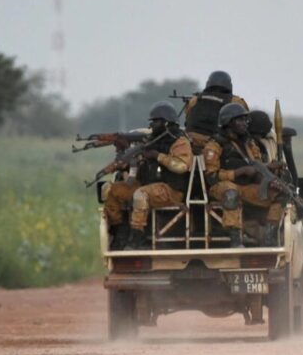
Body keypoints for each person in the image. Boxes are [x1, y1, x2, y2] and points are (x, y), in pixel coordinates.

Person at [103, 101, 194, 250]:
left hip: (170, 190)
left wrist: (157, 156)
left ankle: (136, 238)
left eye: (156, 121)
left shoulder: (179, 141)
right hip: (146, 186)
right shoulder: (150, 140)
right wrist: (123, 155)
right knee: (110, 190)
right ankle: (120, 232)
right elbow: (132, 164)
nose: (152, 125)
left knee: (140, 194)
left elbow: (182, 166)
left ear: (166, 123)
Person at [202, 103, 285, 247]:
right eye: (239, 120)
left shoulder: (249, 143)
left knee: (280, 194)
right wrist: (240, 172)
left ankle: (269, 238)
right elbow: (212, 176)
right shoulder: (214, 145)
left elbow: (257, 168)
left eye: (245, 120)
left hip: (245, 188)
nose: (244, 124)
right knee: (231, 193)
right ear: (228, 122)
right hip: (221, 188)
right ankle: (235, 241)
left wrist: (269, 176)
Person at [184, 70, 249, 151]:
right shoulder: (236, 101)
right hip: (217, 144)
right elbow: (245, 120)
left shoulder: (195, 99)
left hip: (191, 142)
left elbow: (187, 117)